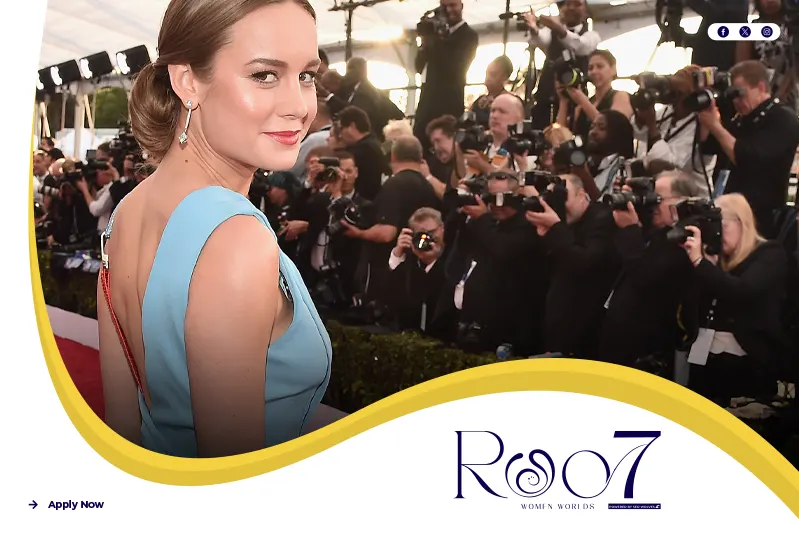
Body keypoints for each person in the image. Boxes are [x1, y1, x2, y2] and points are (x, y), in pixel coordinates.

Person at [98, 0, 332, 459]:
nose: (299, 107)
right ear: (188, 81)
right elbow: (232, 477)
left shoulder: (128, 211)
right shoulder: (234, 238)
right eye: (264, 75)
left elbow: (123, 430)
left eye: (307, 76)